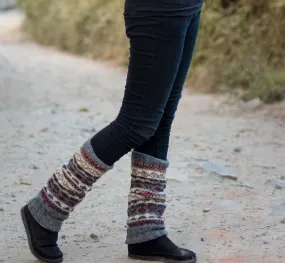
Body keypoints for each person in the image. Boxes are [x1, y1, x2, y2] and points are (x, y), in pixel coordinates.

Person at [21, 0, 204, 262]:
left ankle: (147, 231)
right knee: (136, 124)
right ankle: (46, 208)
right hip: (158, 9)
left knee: (160, 120)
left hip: (189, 7)